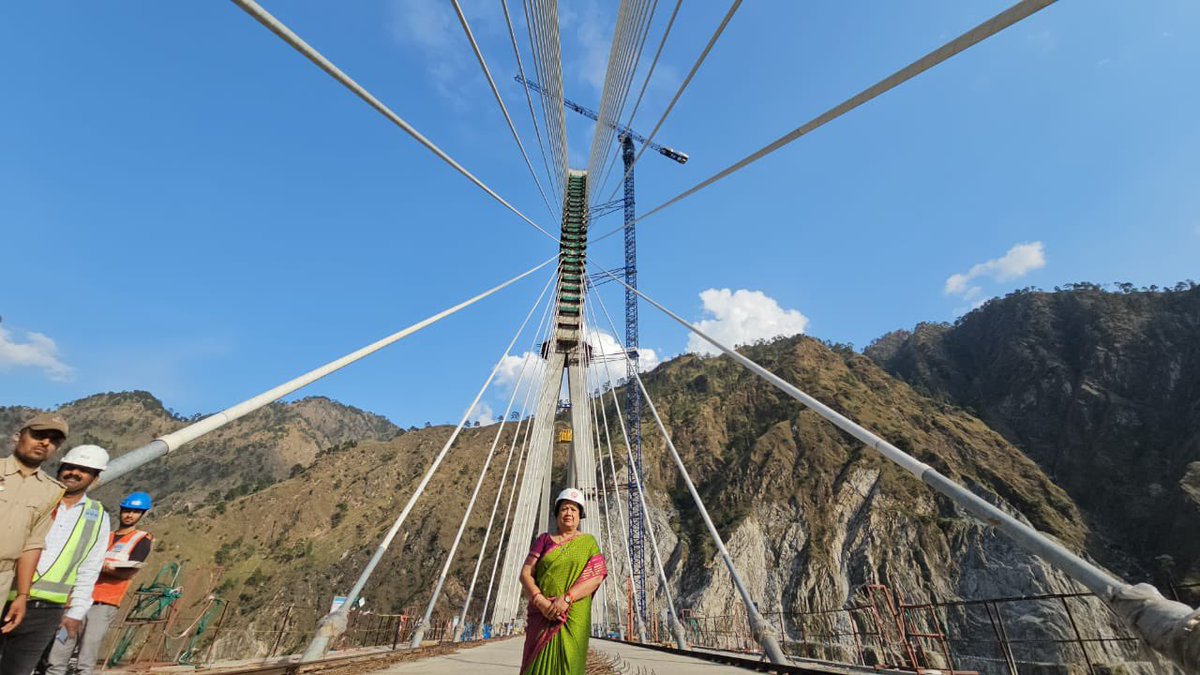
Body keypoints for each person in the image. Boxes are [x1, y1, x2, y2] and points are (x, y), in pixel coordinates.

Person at [0, 445, 109, 675]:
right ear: (60, 467)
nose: (74, 473)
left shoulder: (98, 516)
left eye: (84, 470)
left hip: (47, 611)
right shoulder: (36, 498)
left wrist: (76, 612)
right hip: (5, 598)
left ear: (95, 477)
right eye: (70, 467)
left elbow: (90, 567)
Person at [45, 492, 153, 675]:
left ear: (143, 514)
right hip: (76, 600)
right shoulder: (105, 536)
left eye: (135, 512)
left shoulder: (141, 539)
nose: (129, 515)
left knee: (87, 654)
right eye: (127, 510)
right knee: (60, 645)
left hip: (103, 605)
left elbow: (128, 572)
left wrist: (99, 567)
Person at [518, 488, 607, 675]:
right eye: (565, 508)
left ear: (580, 515)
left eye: (574, 510)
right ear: (557, 513)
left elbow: (596, 576)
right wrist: (541, 602)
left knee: (570, 664)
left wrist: (567, 599)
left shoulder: (588, 543)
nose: (569, 513)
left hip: (574, 615)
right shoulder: (544, 540)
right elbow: (526, 573)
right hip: (543, 614)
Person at [1, 415, 68, 639]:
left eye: (53, 440)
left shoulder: (51, 491)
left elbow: (33, 544)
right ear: (18, 436)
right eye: (38, 435)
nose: (45, 443)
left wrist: (22, 595)